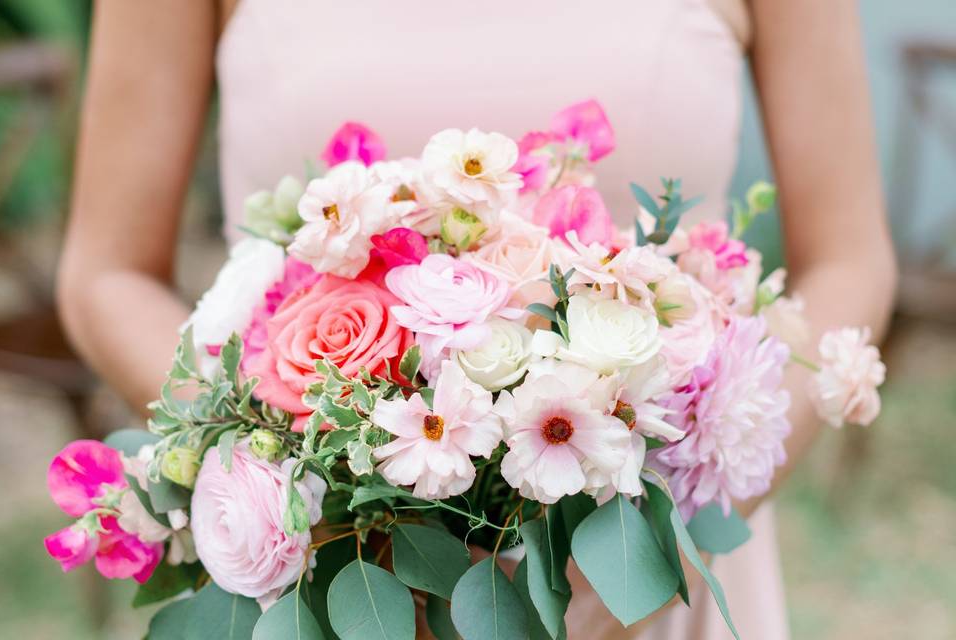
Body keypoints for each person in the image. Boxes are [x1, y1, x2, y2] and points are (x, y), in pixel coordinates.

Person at [56, 1, 897, 638]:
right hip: (328, 583)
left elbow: (850, 259)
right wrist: (286, 491)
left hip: (642, 577)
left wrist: (649, 556)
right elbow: (108, 271)